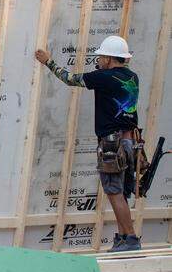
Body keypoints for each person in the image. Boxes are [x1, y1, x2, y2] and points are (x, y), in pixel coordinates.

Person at [35, 35, 142, 252]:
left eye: (101, 56)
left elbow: (70, 79)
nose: (99, 59)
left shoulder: (104, 77)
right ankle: (123, 236)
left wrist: (48, 61)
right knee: (118, 191)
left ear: (109, 58)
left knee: (114, 192)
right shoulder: (132, 77)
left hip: (113, 145)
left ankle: (130, 238)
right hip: (130, 142)